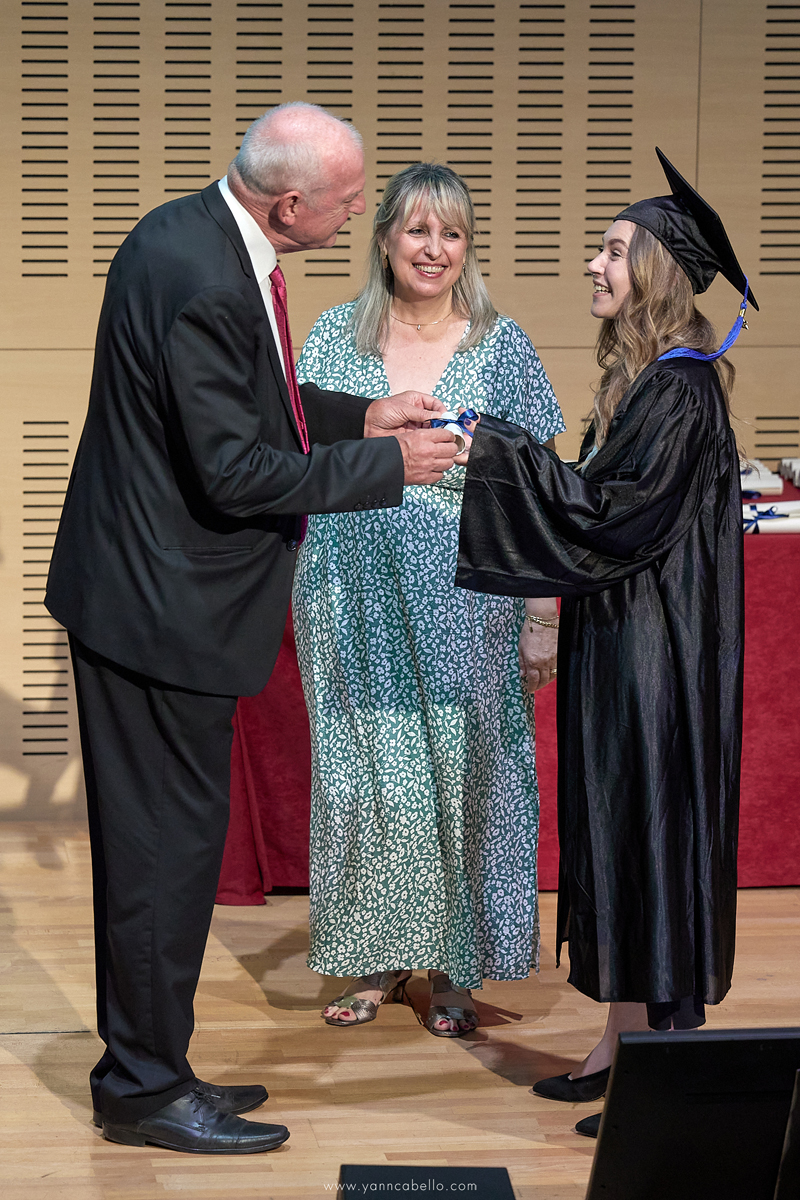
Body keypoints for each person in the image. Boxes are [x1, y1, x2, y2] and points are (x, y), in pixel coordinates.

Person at [44, 104, 457, 1155]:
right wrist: (383, 468)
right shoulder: (207, 282)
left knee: (171, 851)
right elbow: (229, 471)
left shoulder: (187, 232)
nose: (360, 208)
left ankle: (156, 1066)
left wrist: (350, 416)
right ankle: (141, 1090)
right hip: (155, 610)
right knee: (160, 857)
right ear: (287, 204)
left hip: (149, 597)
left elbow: (237, 404)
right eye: (346, 197)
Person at [456, 148, 751, 1136]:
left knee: (653, 846)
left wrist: (490, 447)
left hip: (656, 663)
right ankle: (621, 1042)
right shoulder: (648, 381)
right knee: (624, 840)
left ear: (657, 271)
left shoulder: (676, 389)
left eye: (613, 251)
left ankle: (659, 1075)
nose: (592, 263)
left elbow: (607, 513)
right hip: (626, 648)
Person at [292, 162, 565, 1036]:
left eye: (451, 233)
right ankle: (375, 957)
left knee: (462, 771)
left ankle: (452, 966)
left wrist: (541, 612)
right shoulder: (333, 336)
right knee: (365, 774)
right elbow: (289, 459)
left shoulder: (501, 343)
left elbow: (542, 492)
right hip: (348, 587)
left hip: (468, 598)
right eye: (417, 230)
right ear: (383, 240)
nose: (434, 249)